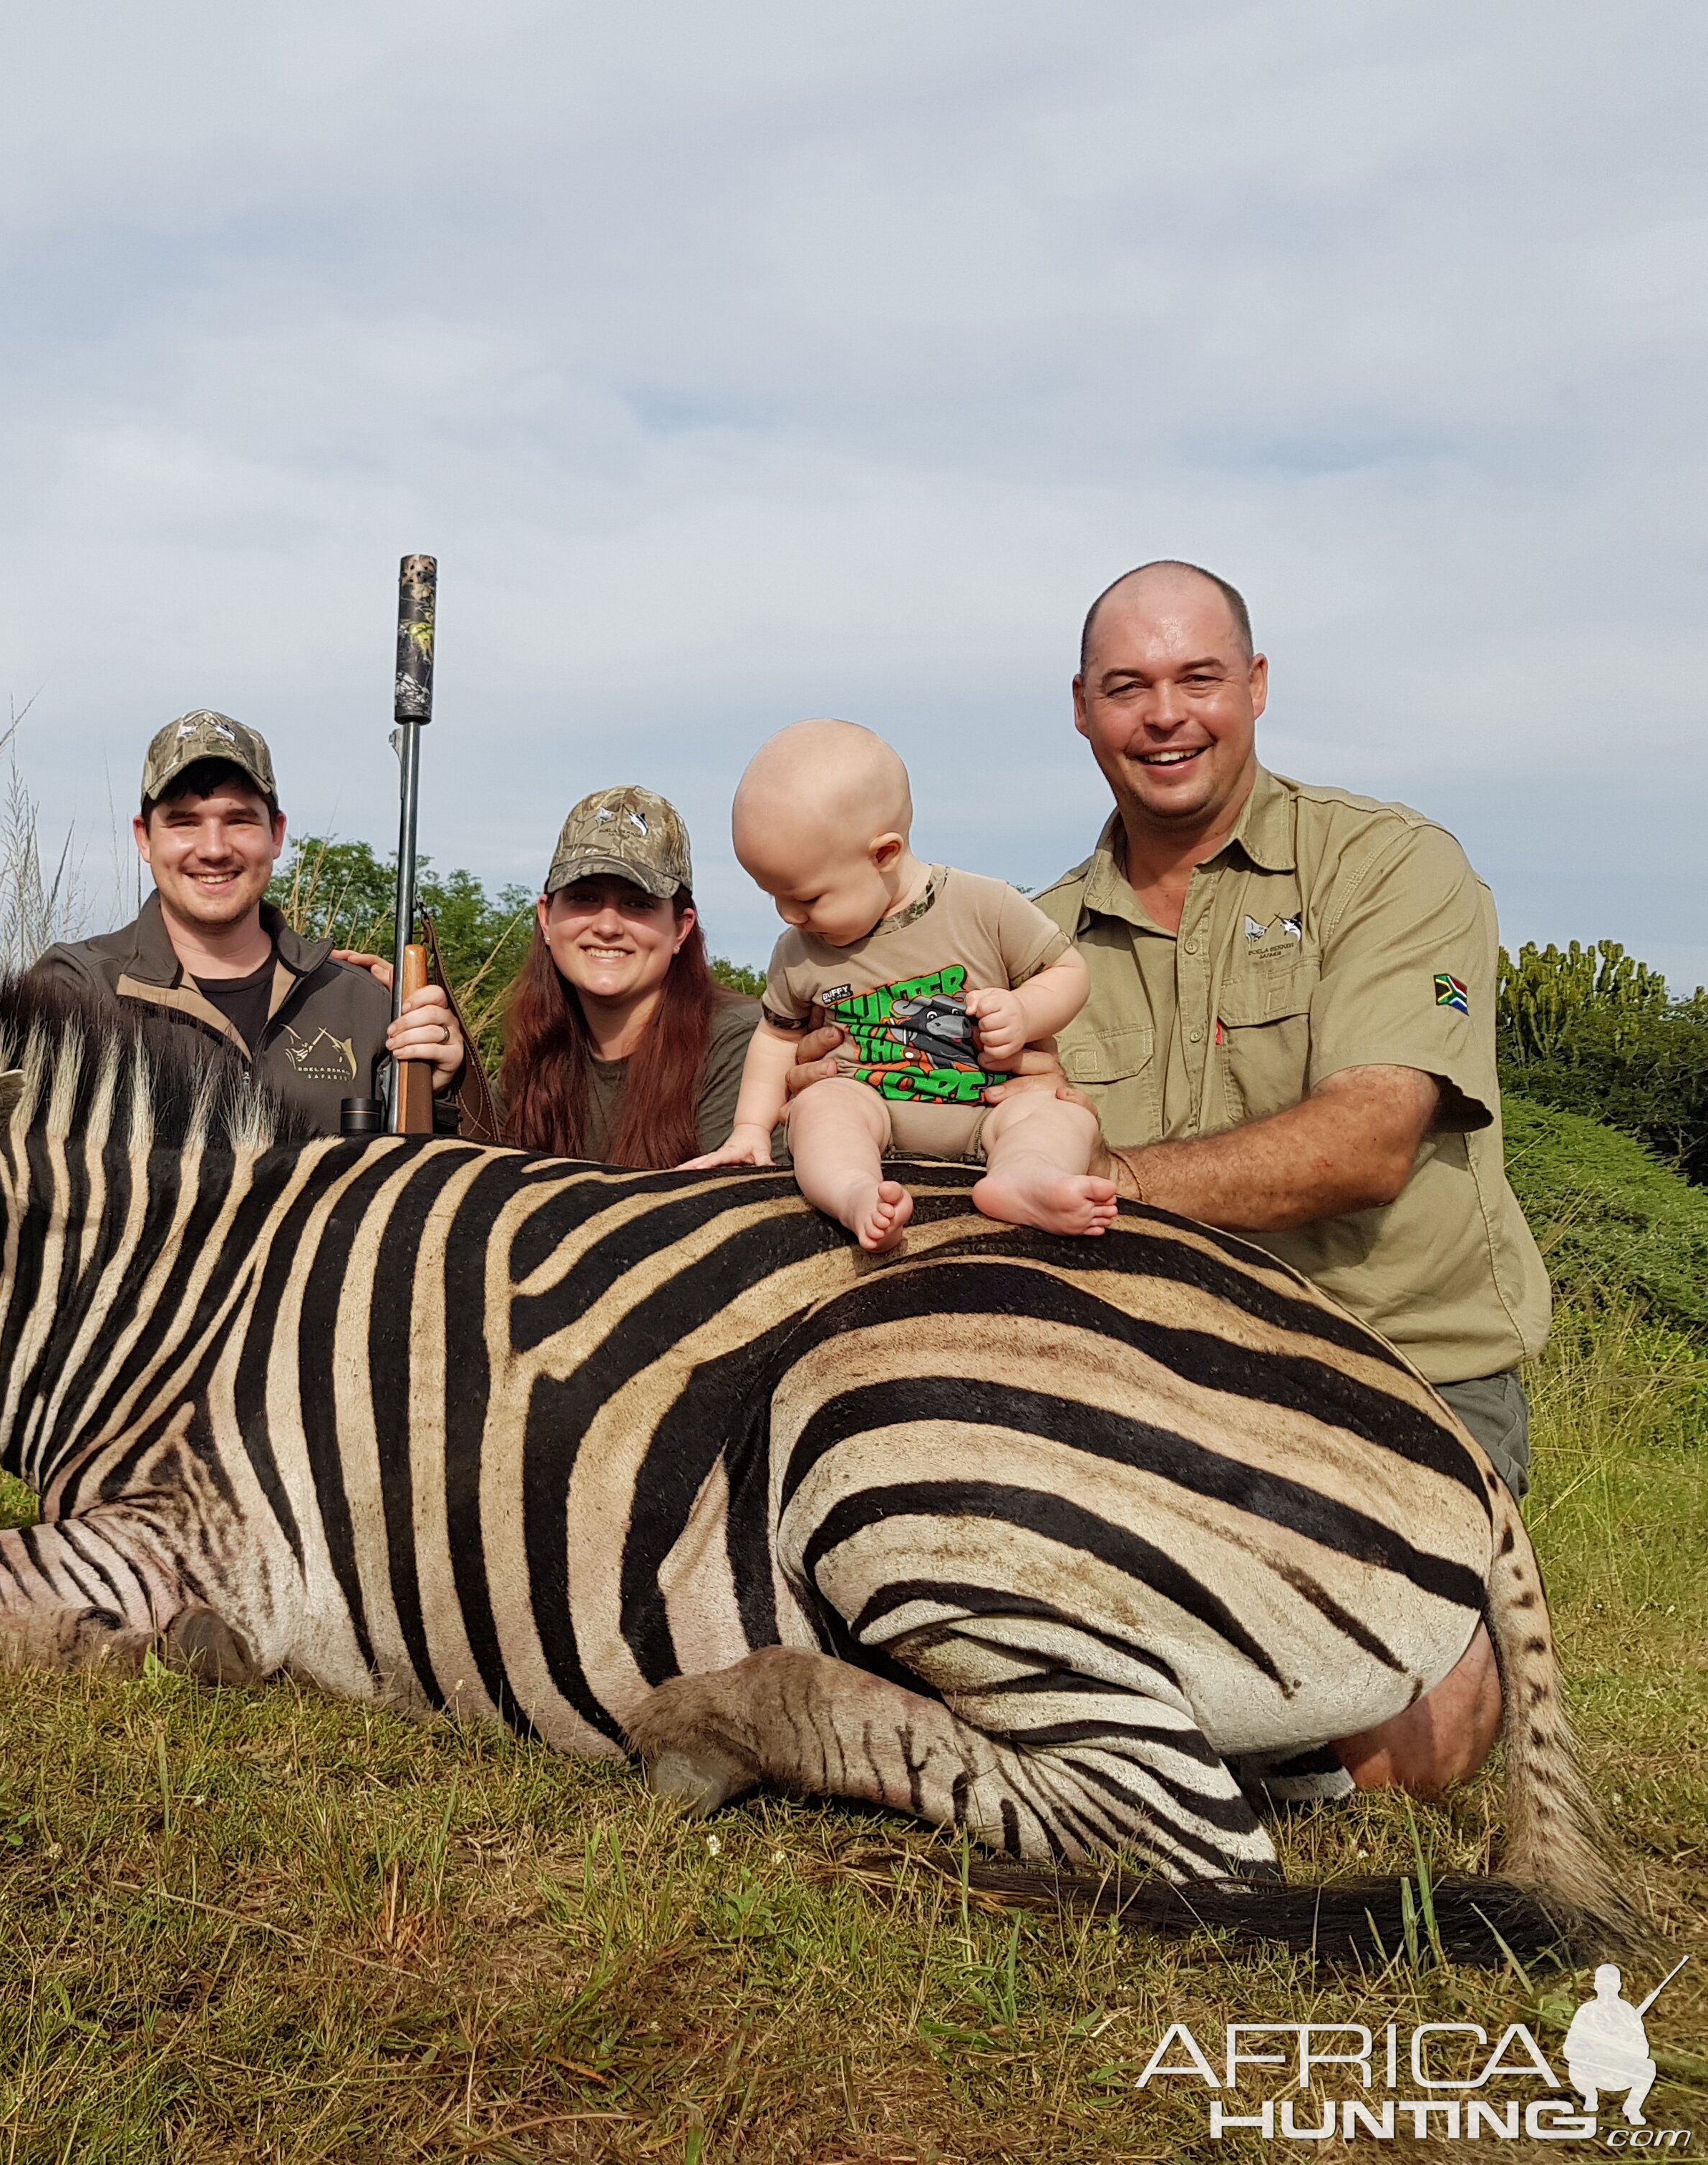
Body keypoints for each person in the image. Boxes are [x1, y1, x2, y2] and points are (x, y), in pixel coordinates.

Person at [1018, 559, 1550, 1793]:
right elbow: (949, 1117)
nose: (1165, 715)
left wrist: (1111, 1181)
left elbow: (1370, 1140)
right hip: (1152, 1365)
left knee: (1416, 1747)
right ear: (1084, 710)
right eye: (1126, 686)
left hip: (1397, 1368)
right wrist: (836, 1064)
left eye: (1198, 678)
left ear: (1253, 687)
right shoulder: (1032, 936)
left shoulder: (1391, 865)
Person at [707, 720, 1118, 1249]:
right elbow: (776, 1039)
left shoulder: (983, 906)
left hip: (989, 1105)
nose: (790, 915)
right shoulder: (798, 951)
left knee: (1059, 1113)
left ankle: (1025, 1176)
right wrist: (750, 1130)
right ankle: (856, 1192)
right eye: (773, 896)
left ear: (884, 854)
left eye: (807, 897)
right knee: (822, 1106)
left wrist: (1024, 1012)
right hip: (871, 1108)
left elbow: (1068, 972)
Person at [28, 709, 462, 1133]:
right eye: (184, 822)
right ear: (144, 837)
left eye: (239, 821)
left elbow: (428, 1185)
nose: (214, 849)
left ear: (276, 834)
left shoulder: (363, 1003)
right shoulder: (76, 991)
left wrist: (440, 1088)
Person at [495, 787, 759, 1167]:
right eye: (584, 898)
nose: (607, 926)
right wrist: (445, 1078)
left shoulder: (742, 1044)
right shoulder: (534, 1056)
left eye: (638, 904)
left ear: (681, 929)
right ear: (546, 917)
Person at [1562, 1965, 1660, 2126]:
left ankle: (1632, 2108)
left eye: (1611, 1985)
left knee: (1648, 2067)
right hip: (1592, 2070)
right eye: (1603, 1984)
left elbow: (1643, 2050)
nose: (1607, 1990)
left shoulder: (1628, 2012)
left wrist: (1622, 2047)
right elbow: (1569, 2049)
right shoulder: (1586, 2011)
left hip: (1621, 2071)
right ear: (1596, 1986)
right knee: (1574, 2067)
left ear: (1619, 1986)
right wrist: (1594, 2050)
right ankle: (1591, 2099)